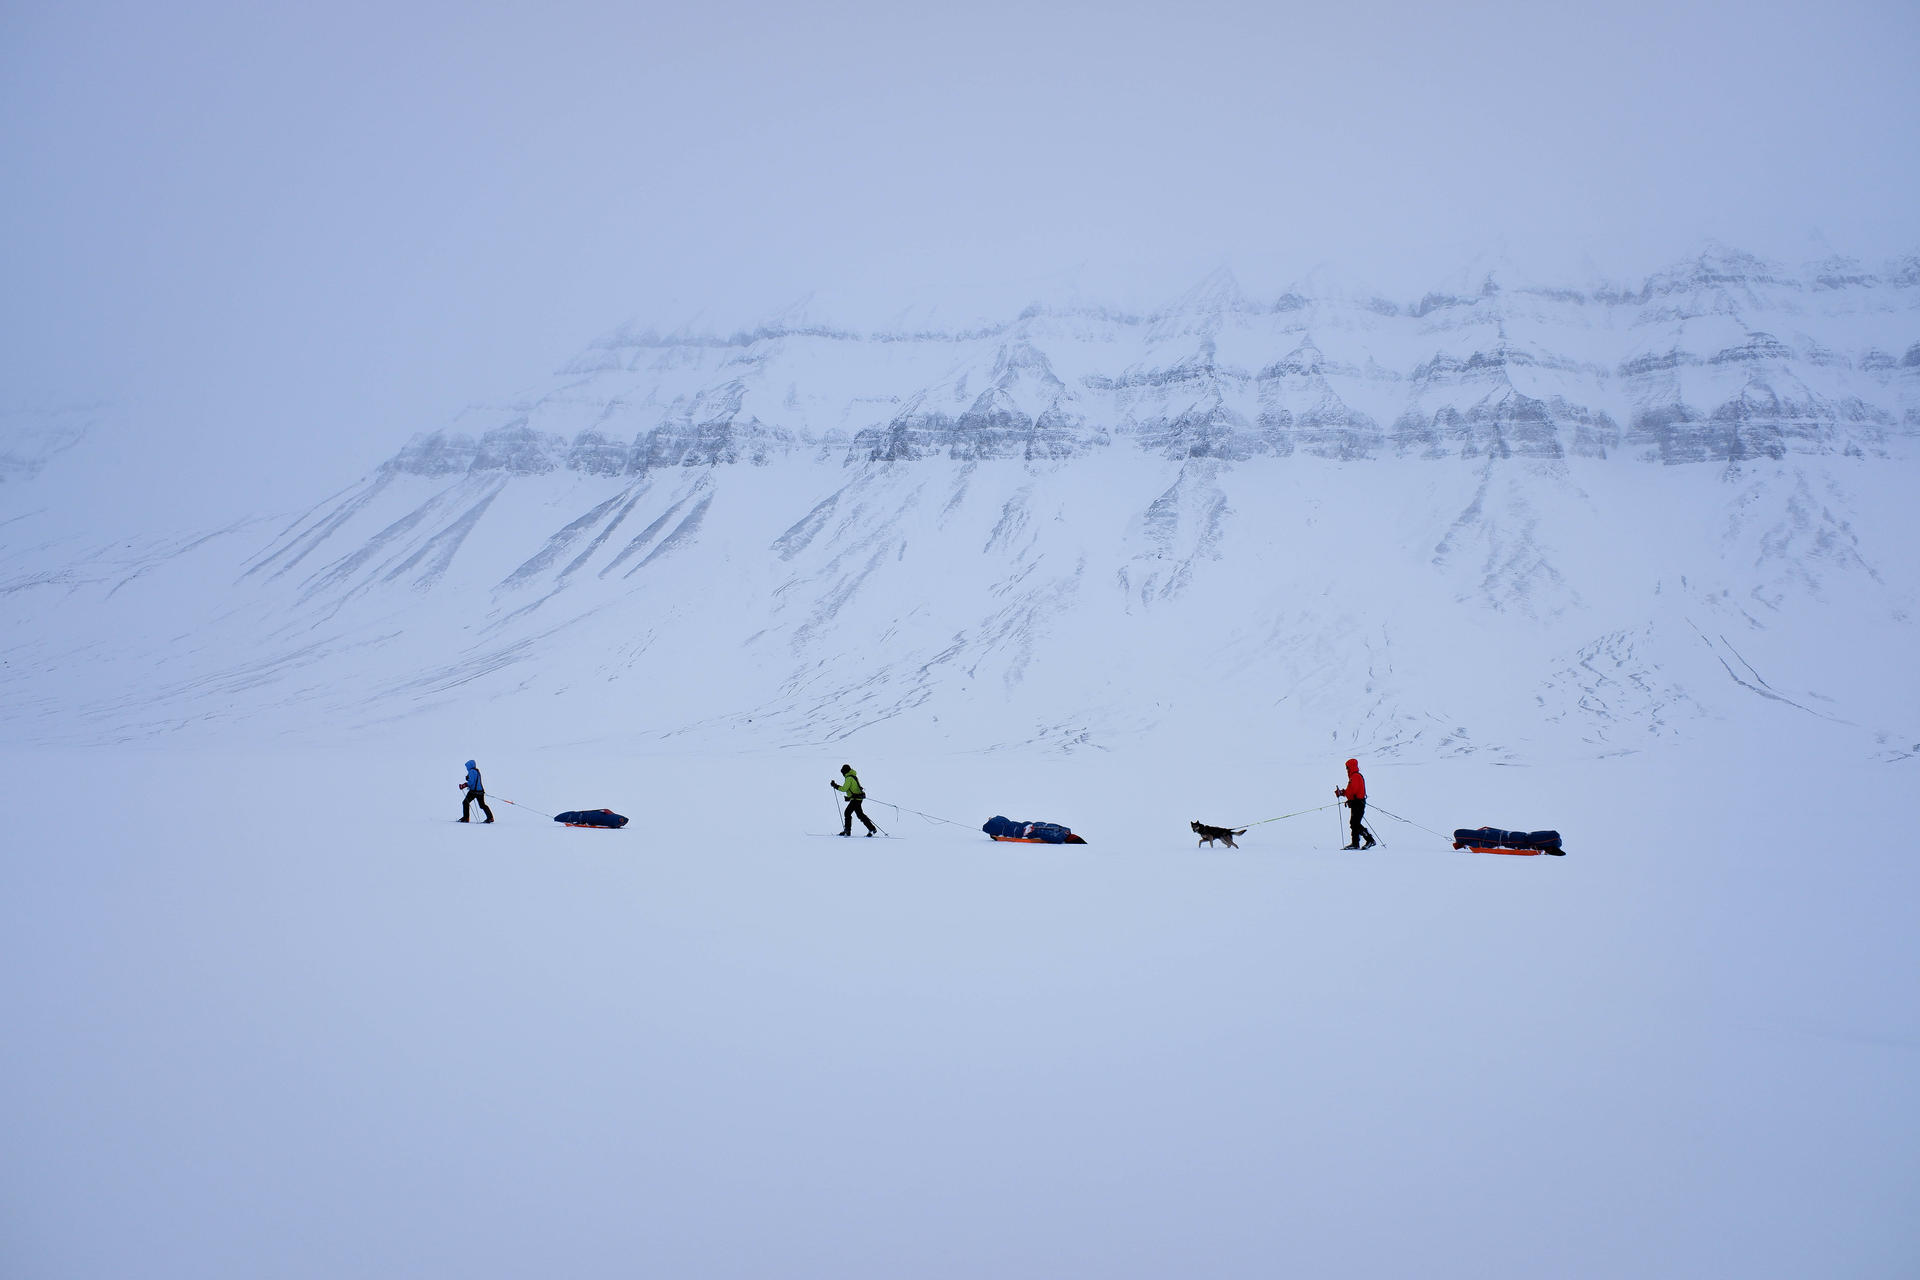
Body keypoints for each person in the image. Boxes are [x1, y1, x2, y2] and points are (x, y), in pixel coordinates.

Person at [1335, 757, 1374, 849]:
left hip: (1358, 803)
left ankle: (1369, 840)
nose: (1346, 769)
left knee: (1355, 823)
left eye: (1347, 767)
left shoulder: (1355, 776)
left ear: (1351, 767)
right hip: (1357, 803)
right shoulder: (1354, 776)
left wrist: (1342, 793)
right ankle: (1356, 843)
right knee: (1354, 823)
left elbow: (1352, 791)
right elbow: (1350, 791)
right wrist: (1342, 792)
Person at [830, 763, 877, 837]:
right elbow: (854, 788)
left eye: (842, 772)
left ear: (845, 771)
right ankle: (872, 829)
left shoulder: (849, 778)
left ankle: (847, 831)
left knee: (847, 813)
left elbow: (844, 789)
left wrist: (835, 785)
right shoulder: (853, 776)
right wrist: (849, 797)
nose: (842, 774)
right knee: (859, 814)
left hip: (856, 799)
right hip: (857, 798)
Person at [459, 758, 494, 823]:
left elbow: (471, 782)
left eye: (467, 766)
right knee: (482, 805)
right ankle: (490, 817)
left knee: (465, 802)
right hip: (480, 791)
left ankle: (466, 818)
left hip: (474, 791)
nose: (466, 768)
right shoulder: (476, 771)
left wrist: (463, 785)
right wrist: (468, 778)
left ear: (469, 766)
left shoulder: (471, 771)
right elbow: (474, 780)